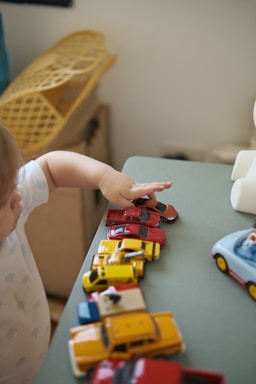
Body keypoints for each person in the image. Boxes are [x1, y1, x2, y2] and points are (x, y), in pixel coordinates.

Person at [0, 124, 171, 384]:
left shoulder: (12, 205)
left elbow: (50, 168)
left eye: (14, 183)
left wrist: (105, 177)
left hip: (40, 359)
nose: (17, 196)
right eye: (2, 200)